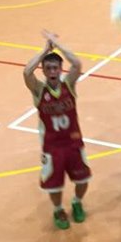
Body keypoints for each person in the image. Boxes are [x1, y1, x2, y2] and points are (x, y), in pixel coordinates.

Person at [23, 30, 89, 230]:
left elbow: (77, 64)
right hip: (52, 147)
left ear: (61, 69)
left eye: (55, 68)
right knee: (54, 184)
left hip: (74, 143)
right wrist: (45, 50)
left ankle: (77, 202)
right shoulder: (39, 90)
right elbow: (27, 72)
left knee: (83, 179)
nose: (52, 71)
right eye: (48, 68)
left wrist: (57, 44)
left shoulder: (69, 85)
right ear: (44, 71)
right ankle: (58, 209)